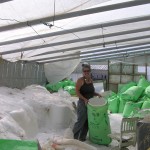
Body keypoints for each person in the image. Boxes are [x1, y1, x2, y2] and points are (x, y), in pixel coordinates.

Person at [73, 64, 101, 141]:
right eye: (84, 71)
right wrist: (84, 99)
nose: (86, 72)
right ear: (82, 72)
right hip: (82, 103)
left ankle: (82, 138)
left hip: (90, 103)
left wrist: (97, 94)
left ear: (90, 71)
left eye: (87, 71)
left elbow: (91, 92)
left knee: (87, 121)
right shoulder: (80, 80)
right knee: (81, 121)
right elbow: (77, 92)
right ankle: (74, 137)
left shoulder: (91, 80)